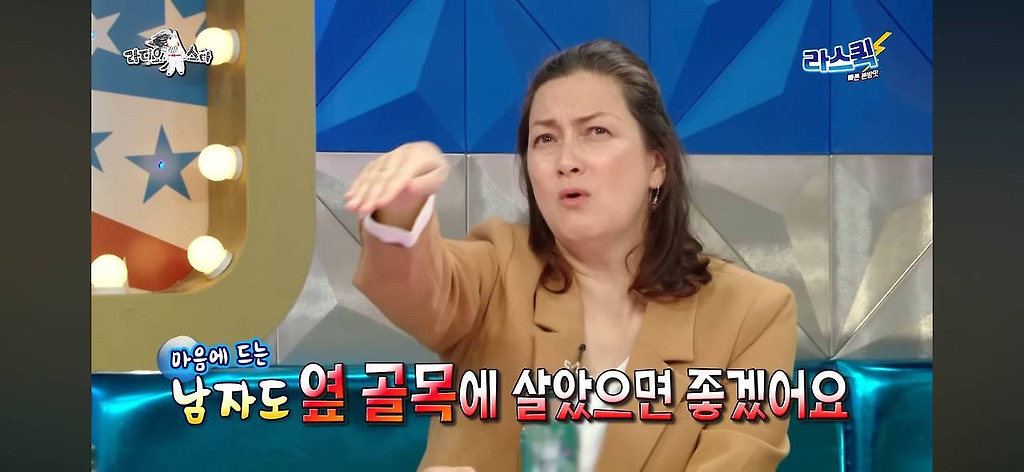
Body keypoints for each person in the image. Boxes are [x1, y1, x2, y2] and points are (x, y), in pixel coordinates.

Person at [347, 39, 797, 471]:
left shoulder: (752, 315)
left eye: (596, 131)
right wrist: (399, 209)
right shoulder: (498, 266)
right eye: (545, 139)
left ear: (656, 164)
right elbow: (417, 288)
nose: (566, 161)